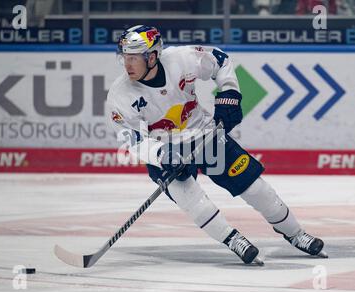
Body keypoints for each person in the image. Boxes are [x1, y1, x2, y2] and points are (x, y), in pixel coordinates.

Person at [106, 25, 327, 265]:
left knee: (256, 189)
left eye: (133, 58)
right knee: (193, 201)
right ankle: (233, 240)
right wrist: (161, 156)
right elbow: (132, 140)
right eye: (124, 58)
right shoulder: (120, 95)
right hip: (165, 151)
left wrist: (229, 93)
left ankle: (295, 234)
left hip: (205, 135)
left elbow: (220, 60)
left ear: (152, 56)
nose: (127, 65)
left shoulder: (182, 59)